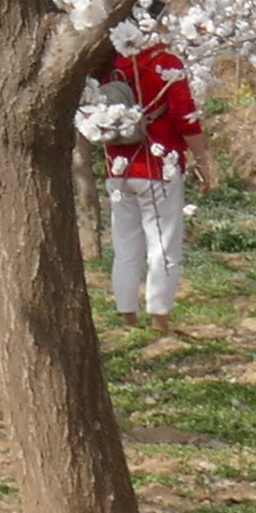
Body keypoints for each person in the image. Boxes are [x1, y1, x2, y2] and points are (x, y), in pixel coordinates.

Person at [84, 17, 201, 316]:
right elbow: (185, 117)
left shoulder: (107, 65)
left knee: (125, 248)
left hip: (118, 168)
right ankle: (160, 316)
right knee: (163, 248)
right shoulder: (166, 63)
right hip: (160, 167)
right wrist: (205, 158)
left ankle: (126, 315)